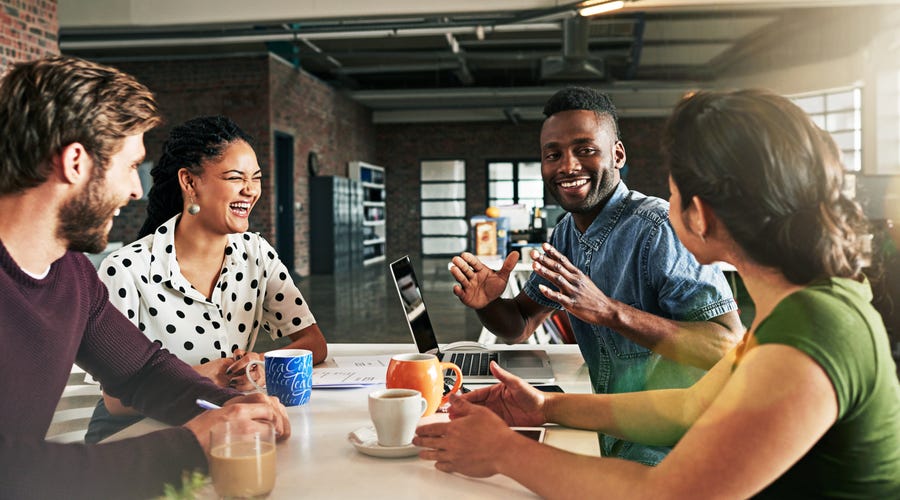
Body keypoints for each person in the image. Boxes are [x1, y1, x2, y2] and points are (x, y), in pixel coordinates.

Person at [416, 89, 900, 498]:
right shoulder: (807, 309)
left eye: (671, 193)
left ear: (701, 213)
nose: (664, 206)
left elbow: (666, 494)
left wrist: (503, 451)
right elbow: (685, 408)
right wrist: (544, 408)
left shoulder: (811, 332)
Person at [0, 56, 292, 499]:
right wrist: (193, 445)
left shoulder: (71, 273)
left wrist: (234, 407)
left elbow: (141, 370)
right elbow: (11, 471)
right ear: (76, 162)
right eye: (129, 165)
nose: (137, 189)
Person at [448, 86, 743, 464]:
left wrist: (609, 311)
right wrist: (488, 302)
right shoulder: (567, 232)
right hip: (605, 427)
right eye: (553, 155)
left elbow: (727, 348)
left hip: (672, 447)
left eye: (585, 150)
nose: (567, 166)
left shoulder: (657, 228)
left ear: (617, 154)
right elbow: (520, 324)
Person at [85, 115, 328, 443]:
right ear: (189, 182)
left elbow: (314, 344)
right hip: (136, 439)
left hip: (223, 425)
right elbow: (115, 402)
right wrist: (205, 376)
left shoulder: (257, 253)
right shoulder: (125, 270)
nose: (250, 190)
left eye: (255, 178)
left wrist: (262, 363)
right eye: (234, 177)